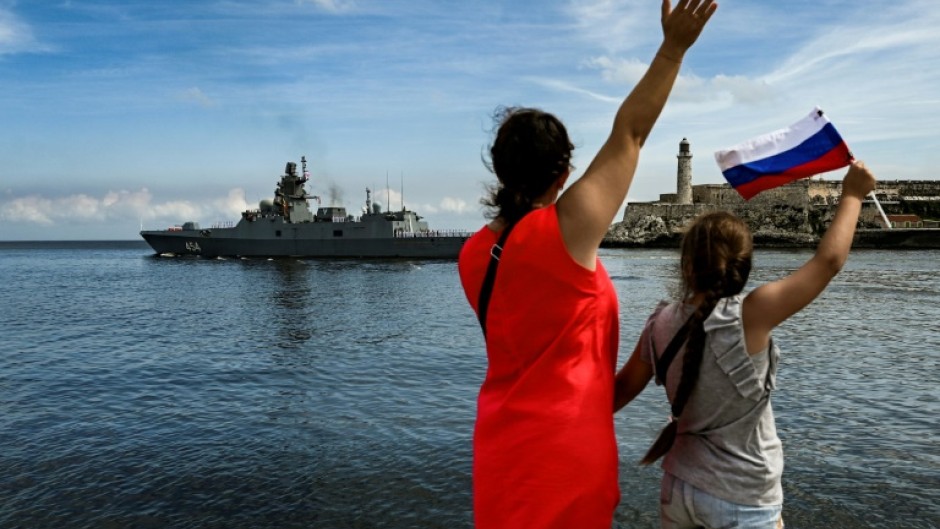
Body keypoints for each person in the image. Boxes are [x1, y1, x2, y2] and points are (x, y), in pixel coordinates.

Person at [457, 1, 717, 527]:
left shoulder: (472, 254)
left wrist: (641, 364)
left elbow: (547, 362)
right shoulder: (562, 233)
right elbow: (631, 133)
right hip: (563, 464)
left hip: (501, 459)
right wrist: (673, 50)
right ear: (564, 172)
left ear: (503, 172)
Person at [613, 161, 878, 529]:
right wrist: (852, 194)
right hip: (742, 495)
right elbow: (828, 261)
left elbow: (619, 391)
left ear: (685, 265)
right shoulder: (751, 315)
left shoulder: (659, 323)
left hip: (679, 487)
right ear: (743, 264)